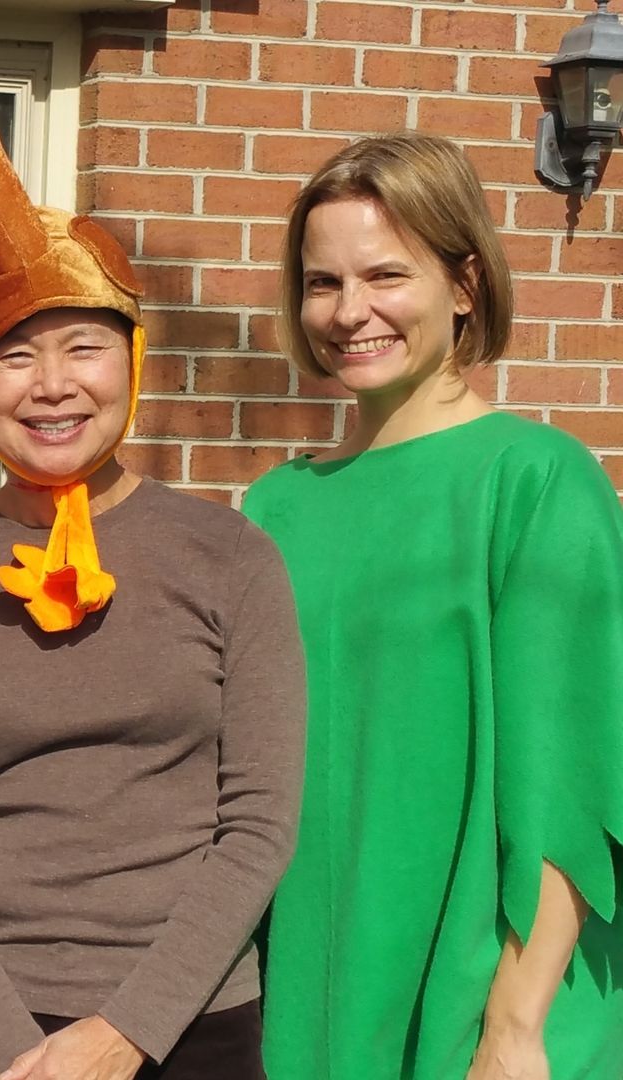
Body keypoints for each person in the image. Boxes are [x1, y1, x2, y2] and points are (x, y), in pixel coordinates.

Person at [0, 34, 306, 1080]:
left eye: (83, 345)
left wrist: (123, 1034)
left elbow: (260, 821)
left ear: (132, 359)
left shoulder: (231, 558)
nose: (51, 384)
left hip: (184, 1027)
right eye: (13, 354)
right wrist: (20, 1050)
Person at [245, 132, 623, 1080]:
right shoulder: (276, 506)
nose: (350, 311)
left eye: (384, 274)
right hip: (309, 985)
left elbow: (572, 786)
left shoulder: (536, 481)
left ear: (464, 285)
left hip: (484, 999)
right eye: (322, 282)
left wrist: (515, 1024)